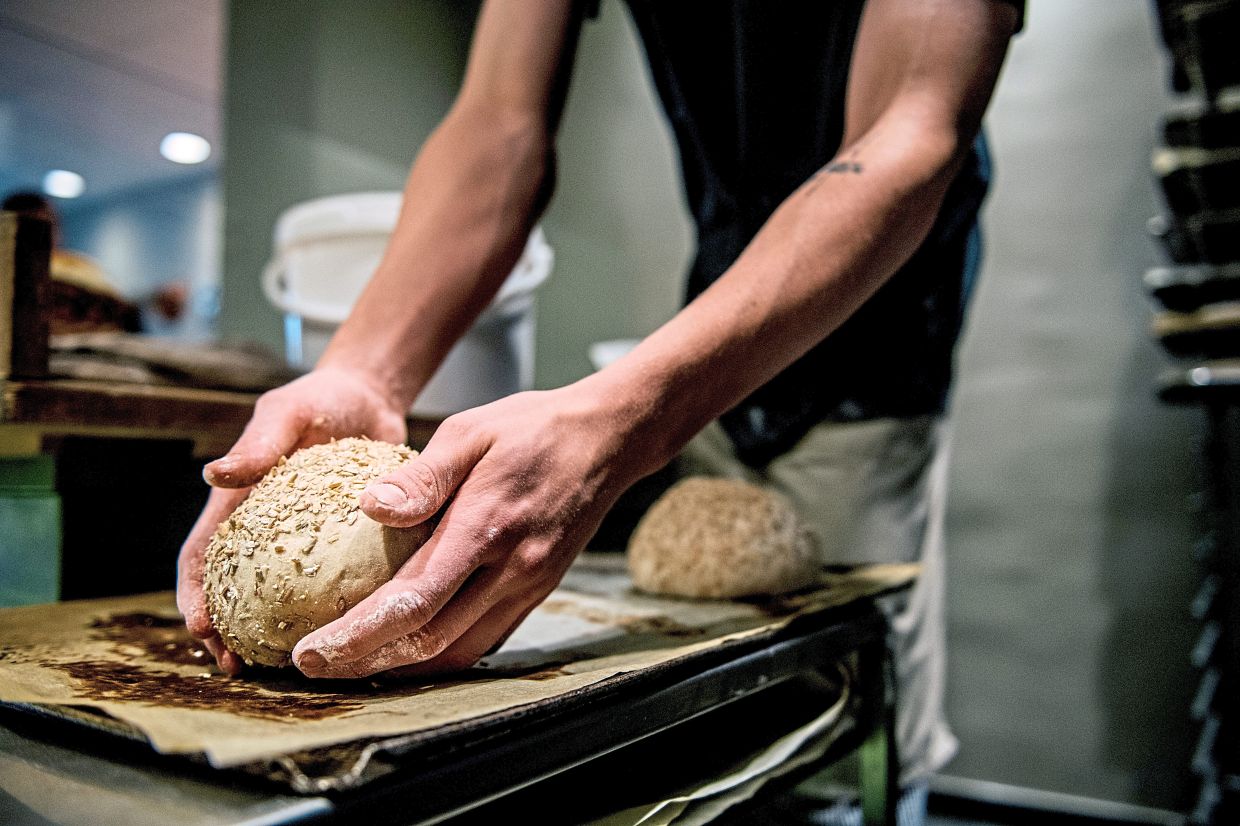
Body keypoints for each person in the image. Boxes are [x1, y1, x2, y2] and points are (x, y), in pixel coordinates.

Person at [177, 1, 1022, 821]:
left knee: (838, 721)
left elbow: (913, 128)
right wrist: (364, 369)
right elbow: (497, 126)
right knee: (729, 717)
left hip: (876, 335)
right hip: (722, 293)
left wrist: (629, 417)